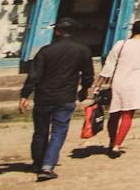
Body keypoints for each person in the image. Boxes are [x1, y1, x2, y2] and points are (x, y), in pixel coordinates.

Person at [19, 18, 94, 181]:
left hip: (43, 97)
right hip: (66, 97)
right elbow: (88, 75)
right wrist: (84, 90)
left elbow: (34, 75)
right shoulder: (82, 51)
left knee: (40, 132)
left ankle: (37, 163)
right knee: (59, 132)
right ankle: (47, 166)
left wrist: (25, 95)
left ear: (57, 31)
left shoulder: (45, 51)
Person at [95, 18, 140, 157]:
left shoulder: (121, 44)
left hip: (119, 81)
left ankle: (112, 142)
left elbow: (108, 66)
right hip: (137, 83)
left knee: (114, 113)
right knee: (128, 115)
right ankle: (117, 145)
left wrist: (98, 85)